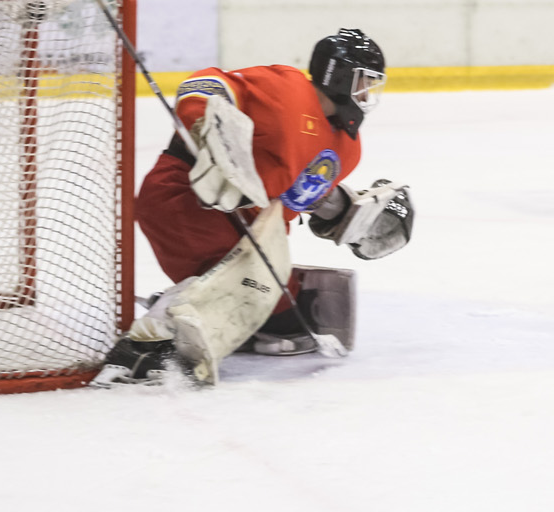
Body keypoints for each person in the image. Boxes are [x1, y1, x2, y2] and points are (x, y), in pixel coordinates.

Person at [96, 31, 410, 385]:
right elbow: (207, 83)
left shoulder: (346, 150)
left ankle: (207, 302)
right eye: (362, 82)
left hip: (242, 224)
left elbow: (294, 199)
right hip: (184, 194)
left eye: (372, 84)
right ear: (337, 75)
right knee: (249, 293)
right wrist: (207, 129)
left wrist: (346, 213)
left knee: (286, 317)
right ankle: (148, 345)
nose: (367, 93)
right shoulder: (288, 88)